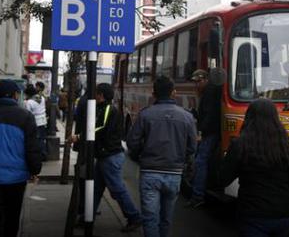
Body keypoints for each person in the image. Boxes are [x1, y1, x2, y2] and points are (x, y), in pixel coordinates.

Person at [220, 98, 289, 237]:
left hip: (253, 215)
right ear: (275, 118)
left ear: (249, 118)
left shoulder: (240, 145)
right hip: (284, 214)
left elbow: (222, 179)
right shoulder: (287, 145)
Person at [127, 76, 197, 237]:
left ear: (154, 94)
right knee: (166, 218)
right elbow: (192, 147)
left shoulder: (145, 115)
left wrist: (141, 155)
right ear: (174, 93)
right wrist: (181, 159)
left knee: (150, 218)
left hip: (150, 172)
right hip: (174, 174)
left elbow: (132, 142)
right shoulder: (187, 117)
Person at [0, 80, 42, 237]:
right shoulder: (25, 116)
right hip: (15, 179)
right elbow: (32, 147)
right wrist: (35, 170)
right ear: (16, 95)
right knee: (12, 218)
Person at [69, 83, 142, 231]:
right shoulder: (103, 108)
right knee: (94, 189)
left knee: (117, 189)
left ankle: (134, 217)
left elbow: (100, 128)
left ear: (101, 95)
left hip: (110, 156)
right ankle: (87, 218)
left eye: (96, 94)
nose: (94, 96)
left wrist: (79, 136)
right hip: (105, 156)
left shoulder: (109, 109)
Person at [188, 69, 222, 208]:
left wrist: (201, 132)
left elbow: (210, 115)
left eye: (199, 81)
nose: (197, 85)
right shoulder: (209, 91)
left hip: (211, 132)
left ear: (206, 80)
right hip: (211, 131)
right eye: (195, 82)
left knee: (201, 161)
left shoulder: (209, 92)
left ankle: (198, 195)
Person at [24, 84, 48, 161]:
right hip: (43, 121)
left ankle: (40, 156)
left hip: (35, 122)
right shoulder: (42, 98)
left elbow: (28, 113)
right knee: (42, 139)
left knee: (37, 140)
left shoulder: (29, 102)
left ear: (28, 94)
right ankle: (44, 154)